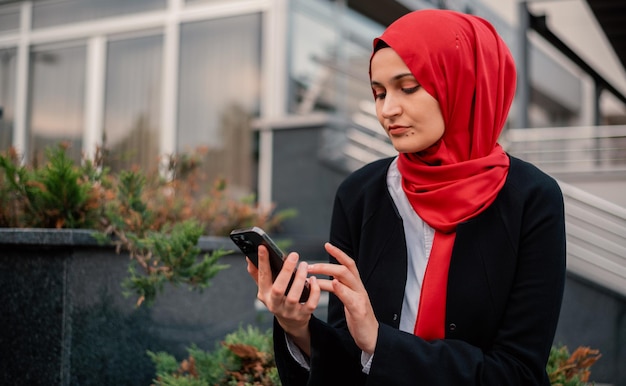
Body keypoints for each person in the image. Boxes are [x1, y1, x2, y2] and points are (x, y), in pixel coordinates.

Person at [247, 8, 566, 385]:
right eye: (378, 93)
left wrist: (381, 343)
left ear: (461, 82)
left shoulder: (532, 200)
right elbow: (348, 362)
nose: (387, 110)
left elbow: (518, 374)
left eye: (408, 87)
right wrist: (296, 325)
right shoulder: (359, 195)